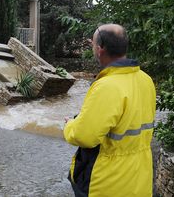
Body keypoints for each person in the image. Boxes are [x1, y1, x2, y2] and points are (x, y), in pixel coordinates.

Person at [63, 24, 156, 197]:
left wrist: (70, 125)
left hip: (109, 183)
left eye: (92, 45)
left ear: (100, 50)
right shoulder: (146, 80)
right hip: (140, 178)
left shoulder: (106, 86)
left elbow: (84, 137)